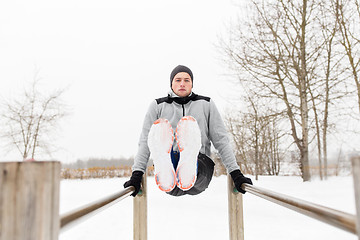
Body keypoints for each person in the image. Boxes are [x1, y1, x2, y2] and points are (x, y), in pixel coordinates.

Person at [124, 65, 252, 197]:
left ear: (192, 84)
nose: (182, 84)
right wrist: (136, 175)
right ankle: (168, 164)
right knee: (166, 159)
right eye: (178, 80)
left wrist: (236, 173)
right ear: (171, 83)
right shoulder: (158, 106)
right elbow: (145, 142)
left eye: (187, 80)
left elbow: (221, 141)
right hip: (170, 177)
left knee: (197, 166)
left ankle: (189, 159)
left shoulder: (206, 104)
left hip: (201, 167)